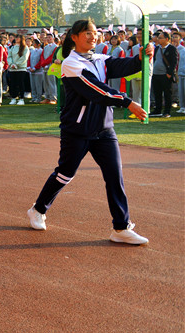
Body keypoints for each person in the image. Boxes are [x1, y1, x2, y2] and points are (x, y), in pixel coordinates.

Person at [27, 19, 154, 245]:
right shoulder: (71, 64)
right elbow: (97, 90)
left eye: (95, 33)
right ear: (74, 37)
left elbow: (125, 66)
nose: (92, 36)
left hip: (104, 130)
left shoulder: (101, 59)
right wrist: (127, 102)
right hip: (77, 130)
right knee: (65, 174)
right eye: (87, 33)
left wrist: (143, 56)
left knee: (115, 176)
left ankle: (121, 227)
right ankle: (38, 209)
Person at [150, 30, 177, 118]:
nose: (158, 39)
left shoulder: (171, 48)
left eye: (160, 38)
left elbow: (174, 62)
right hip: (156, 74)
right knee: (157, 93)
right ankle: (157, 110)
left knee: (167, 94)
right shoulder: (157, 48)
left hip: (165, 75)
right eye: (158, 38)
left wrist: (169, 73)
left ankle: (167, 111)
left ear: (166, 39)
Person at [7, 35, 30, 105]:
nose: (16, 39)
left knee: (21, 83)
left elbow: (24, 58)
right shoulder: (13, 47)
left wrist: (16, 64)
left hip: (21, 68)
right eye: (16, 37)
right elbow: (9, 56)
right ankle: (13, 98)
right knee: (13, 84)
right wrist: (11, 64)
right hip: (12, 69)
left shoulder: (25, 48)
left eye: (18, 38)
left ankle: (21, 99)